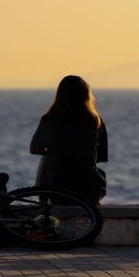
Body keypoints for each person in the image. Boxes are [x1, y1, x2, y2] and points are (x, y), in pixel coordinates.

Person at [30, 75, 108, 205]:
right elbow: (100, 157)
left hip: (57, 188)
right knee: (94, 170)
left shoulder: (48, 120)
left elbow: (34, 149)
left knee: (48, 158)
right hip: (89, 190)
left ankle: (45, 204)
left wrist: (55, 150)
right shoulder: (96, 122)